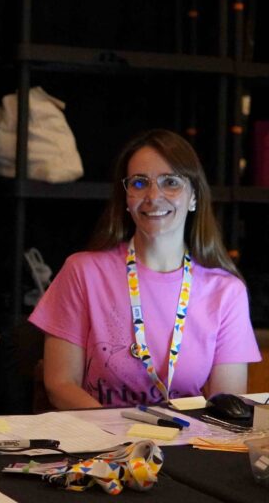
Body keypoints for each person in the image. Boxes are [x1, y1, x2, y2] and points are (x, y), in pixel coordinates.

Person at [29, 129, 261, 409]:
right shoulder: (83, 272)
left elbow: (227, 404)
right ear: (126, 198)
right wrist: (122, 438)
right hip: (101, 446)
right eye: (139, 183)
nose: (153, 195)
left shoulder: (227, 292)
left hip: (185, 445)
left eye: (171, 182)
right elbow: (60, 384)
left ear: (194, 197)